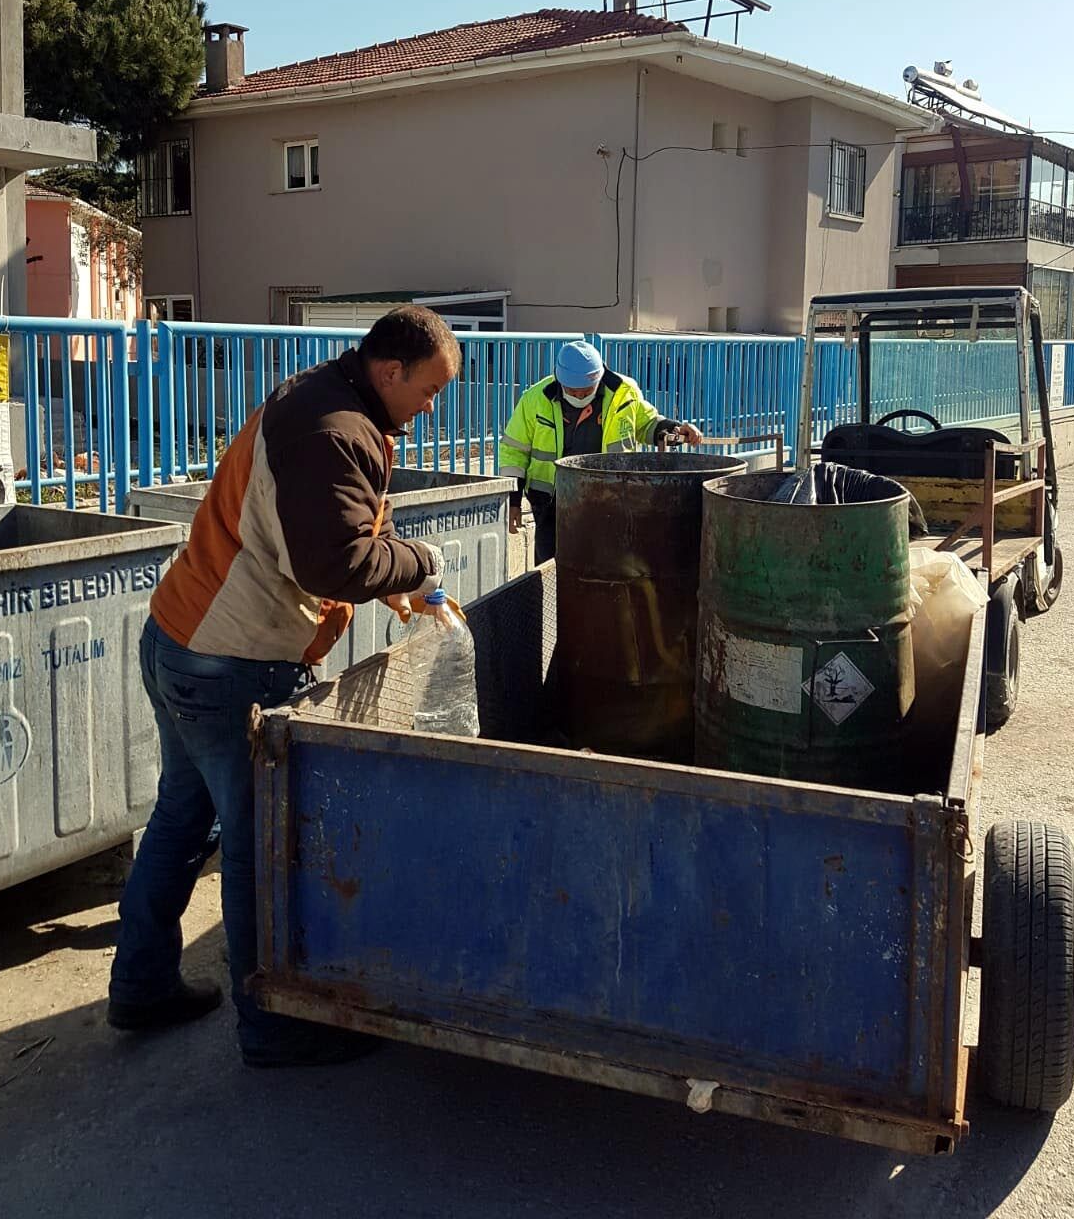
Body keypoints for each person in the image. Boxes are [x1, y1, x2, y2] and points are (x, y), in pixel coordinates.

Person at [108, 306, 461, 1066]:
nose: (434, 407)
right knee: (258, 843)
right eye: (430, 390)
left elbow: (319, 536)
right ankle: (272, 1025)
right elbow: (331, 564)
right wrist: (420, 563)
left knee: (180, 818)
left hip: (180, 638)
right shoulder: (335, 431)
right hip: (233, 662)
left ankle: (140, 986)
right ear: (390, 371)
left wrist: (385, 574)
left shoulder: (323, 399)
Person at [500, 339, 703, 564]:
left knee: (609, 565)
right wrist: (514, 501)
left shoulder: (623, 392)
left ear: (598, 379)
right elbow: (513, 452)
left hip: (614, 498)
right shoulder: (535, 399)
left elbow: (646, 424)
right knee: (553, 565)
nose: (578, 396)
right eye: (572, 391)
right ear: (559, 380)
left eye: (585, 391)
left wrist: (676, 430)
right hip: (552, 502)